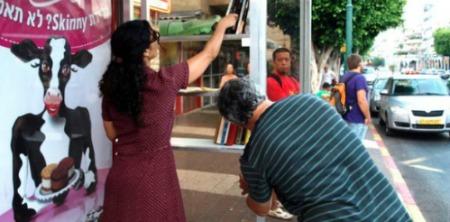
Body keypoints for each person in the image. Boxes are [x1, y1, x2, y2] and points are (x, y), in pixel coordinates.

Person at [99, 14, 237, 222]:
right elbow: (209, 54)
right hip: (154, 177)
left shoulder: (111, 88)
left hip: (121, 176)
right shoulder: (164, 82)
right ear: (145, 51)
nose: (157, 40)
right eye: (154, 36)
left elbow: (112, 134)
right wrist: (223, 26)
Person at [217, 78, 412, 222]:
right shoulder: (313, 102)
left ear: (235, 121)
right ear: (258, 92)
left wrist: (251, 186)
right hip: (387, 208)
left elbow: (261, 208)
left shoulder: (254, 156)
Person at [341, 54, 371, 140]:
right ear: (359, 64)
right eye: (362, 62)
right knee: (356, 148)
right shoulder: (359, 78)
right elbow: (361, 100)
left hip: (345, 115)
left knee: (347, 145)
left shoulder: (344, 77)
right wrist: (368, 117)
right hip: (356, 118)